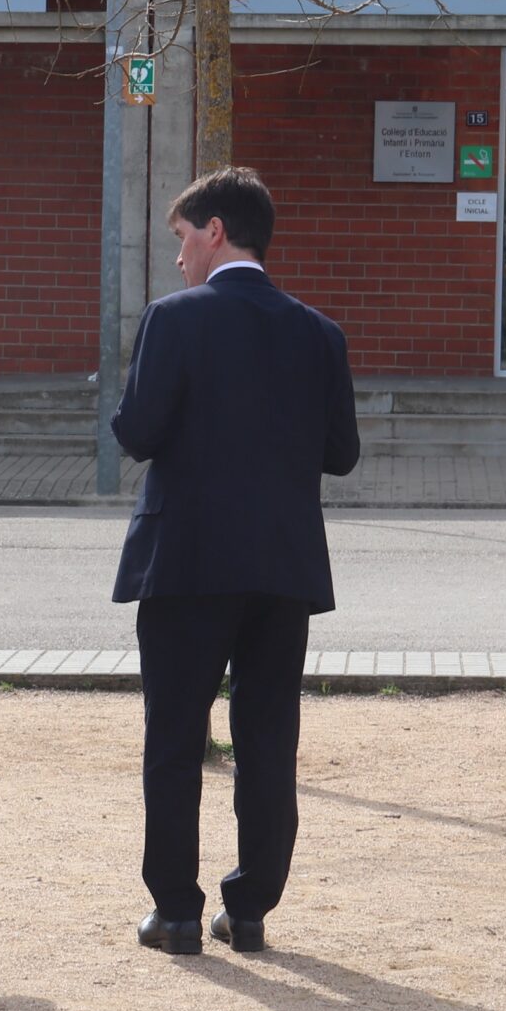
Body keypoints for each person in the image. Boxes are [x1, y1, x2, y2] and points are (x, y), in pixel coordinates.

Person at [110, 166, 359, 957]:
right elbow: (342, 453)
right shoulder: (319, 332)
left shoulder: (173, 317)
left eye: (183, 237)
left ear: (215, 231)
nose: (179, 254)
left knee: (175, 734)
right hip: (283, 563)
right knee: (268, 735)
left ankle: (176, 910)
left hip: (186, 559)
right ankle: (250, 906)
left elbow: (137, 432)